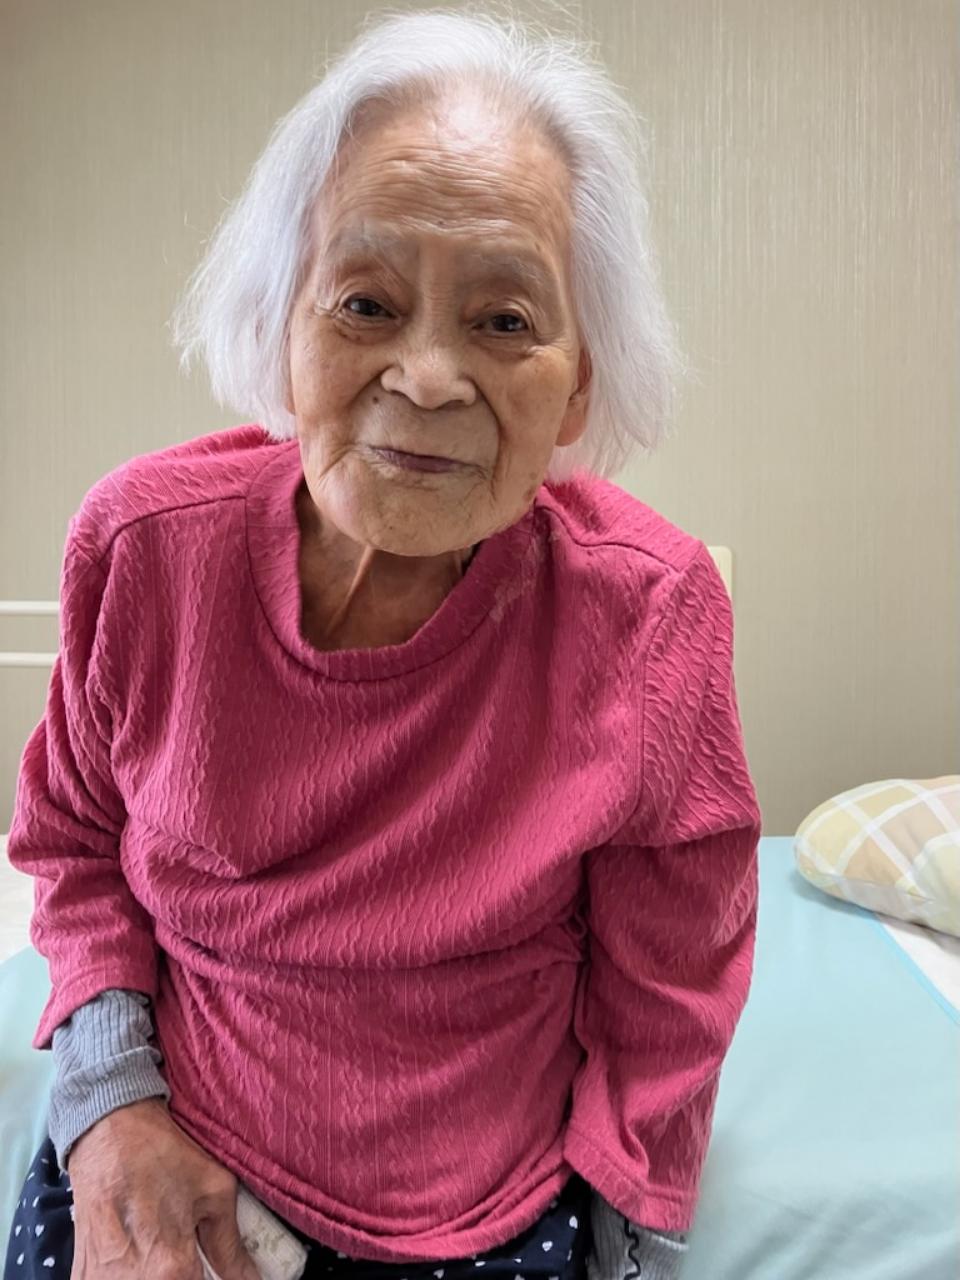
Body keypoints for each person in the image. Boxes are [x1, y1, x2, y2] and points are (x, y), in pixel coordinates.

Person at [3, 7, 762, 1280]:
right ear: (284, 323)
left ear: (577, 381)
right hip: (166, 1136)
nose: (427, 376)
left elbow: (674, 972)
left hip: (482, 1197)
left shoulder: (650, 610)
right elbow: (75, 843)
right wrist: (107, 1104)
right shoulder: (143, 548)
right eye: (366, 301)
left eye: (504, 320)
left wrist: (620, 1223)